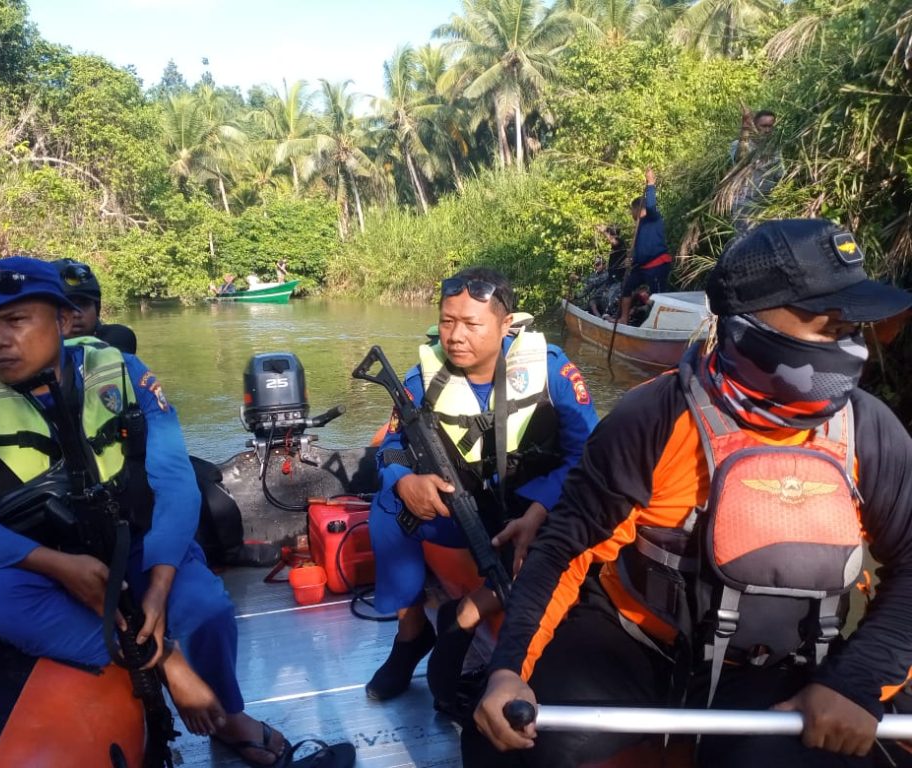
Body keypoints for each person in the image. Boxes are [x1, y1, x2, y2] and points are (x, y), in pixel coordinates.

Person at [467, 219, 912, 768]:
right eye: (827, 324)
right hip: (634, 644)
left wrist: (856, 681)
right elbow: (564, 548)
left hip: (783, 665)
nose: (846, 345)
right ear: (747, 323)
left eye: (851, 328)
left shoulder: (871, 431)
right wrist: (509, 669)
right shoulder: (652, 418)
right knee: (509, 745)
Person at [0, 256, 354, 768]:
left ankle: (229, 719)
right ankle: (166, 667)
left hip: (133, 548)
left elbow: (173, 482)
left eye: (15, 321)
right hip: (35, 568)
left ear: (62, 320)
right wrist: (58, 566)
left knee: (209, 608)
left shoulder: (125, 375)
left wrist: (163, 580)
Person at [365, 267, 599, 717]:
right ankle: (411, 634)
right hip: (463, 508)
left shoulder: (551, 371)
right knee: (387, 508)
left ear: (505, 325)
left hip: (534, 511)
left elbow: (589, 454)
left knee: (587, 532)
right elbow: (391, 448)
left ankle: (469, 614)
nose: (455, 336)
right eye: (448, 321)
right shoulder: (421, 380)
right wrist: (405, 481)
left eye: (472, 324)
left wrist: (541, 509)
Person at [618, 167, 672, 324]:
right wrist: (631, 261)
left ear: (637, 209)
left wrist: (650, 183)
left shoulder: (653, 218)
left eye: (631, 211)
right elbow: (641, 250)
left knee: (659, 296)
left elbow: (650, 205)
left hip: (657, 265)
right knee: (627, 286)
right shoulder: (639, 227)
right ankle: (624, 317)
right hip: (641, 267)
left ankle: (661, 324)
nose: (631, 215)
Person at [51, 258, 138, 354]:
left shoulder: (116, 340)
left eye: (84, 304)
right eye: (65, 305)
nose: (76, 313)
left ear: (97, 309)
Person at [728, 107, 783, 235]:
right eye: (763, 126)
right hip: (745, 205)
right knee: (746, 242)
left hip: (767, 204)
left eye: (770, 126)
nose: (767, 130)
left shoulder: (775, 149)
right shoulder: (739, 145)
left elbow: (780, 176)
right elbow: (741, 158)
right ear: (754, 126)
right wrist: (745, 129)